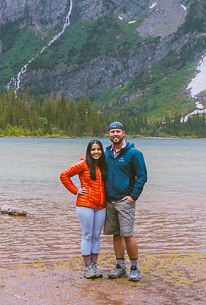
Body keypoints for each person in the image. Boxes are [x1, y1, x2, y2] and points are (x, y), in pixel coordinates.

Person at [103, 121, 147, 282]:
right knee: (116, 234)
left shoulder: (134, 153)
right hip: (110, 201)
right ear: (108, 134)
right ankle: (120, 267)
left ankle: (134, 267)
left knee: (128, 234)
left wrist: (133, 196)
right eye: (112, 131)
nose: (115, 134)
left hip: (125, 201)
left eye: (118, 131)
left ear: (123, 133)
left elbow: (142, 176)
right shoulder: (106, 154)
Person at [60, 139, 108, 279]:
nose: (96, 152)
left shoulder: (104, 165)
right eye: (93, 149)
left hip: (101, 205)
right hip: (85, 204)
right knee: (87, 235)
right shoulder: (83, 163)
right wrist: (76, 190)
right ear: (89, 151)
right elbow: (64, 175)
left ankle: (94, 266)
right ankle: (87, 268)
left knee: (96, 236)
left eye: (98, 149)